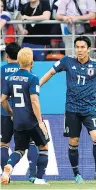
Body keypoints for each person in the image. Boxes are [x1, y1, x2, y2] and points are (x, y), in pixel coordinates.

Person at [40, 36, 96, 183]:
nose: (79, 50)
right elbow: (50, 73)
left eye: (82, 47)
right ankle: (76, 174)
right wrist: (38, 86)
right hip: (72, 110)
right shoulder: (67, 61)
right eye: (77, 47)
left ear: (88, 49)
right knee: (74, 142)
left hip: (90, 109)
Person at [1, 48, 49, 185]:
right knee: (43, 147)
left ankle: (9, 166)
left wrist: (11, 112)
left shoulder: (10, 78)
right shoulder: (33, 78)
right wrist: (40, 121)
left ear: (18, 61)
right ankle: (39, 178)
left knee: (19, 149)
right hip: (31, 120)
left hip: (17, 121)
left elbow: (3, 99)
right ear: (32, 62)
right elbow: (34, 100)